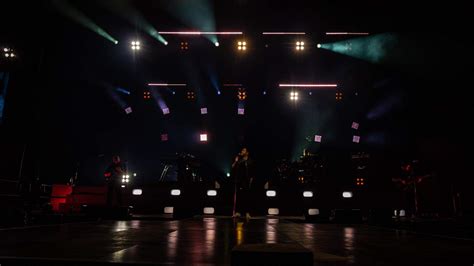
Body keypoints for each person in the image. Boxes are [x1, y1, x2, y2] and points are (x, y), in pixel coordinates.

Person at [231, 147, 255, 220]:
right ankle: (238, 212)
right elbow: (232, 167)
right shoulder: (239, 160)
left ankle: (247, 213)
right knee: (239, 196)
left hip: (247, 181)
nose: (242, 151)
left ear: (247, 153)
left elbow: (253, 172)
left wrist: (251, 180)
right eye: (242, 150)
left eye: (244, 150)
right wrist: (235, 161)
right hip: (239, 181)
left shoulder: (250, 161)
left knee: (247, 197)